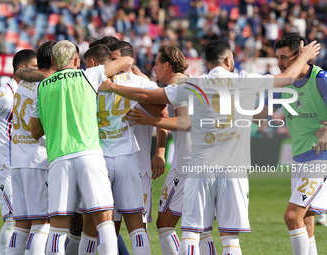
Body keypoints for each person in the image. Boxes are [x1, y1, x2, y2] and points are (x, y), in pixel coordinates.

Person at [98, 39, 320, 255]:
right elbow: (287, 77)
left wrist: (112, 86)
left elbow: (147, 95)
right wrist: (304, 57)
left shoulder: (193, 83)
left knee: (192, 233)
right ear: (229, 61)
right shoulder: (244, 80)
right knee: (230, 239)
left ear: (208, 62)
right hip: (234, 172)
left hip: (200, 170)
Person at [30, 40, 133, 255]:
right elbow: (127, 59)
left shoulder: (42, 87)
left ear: (52, 61)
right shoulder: (88, 75)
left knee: (57, 228)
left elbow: (35, 131)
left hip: (58, 158)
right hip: (89, 154)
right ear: (77, 60)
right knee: (105, 221)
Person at [127, 45, 216, 255]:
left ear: (167, 65)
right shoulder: (191, 82)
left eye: (156, 64)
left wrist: (148, 119)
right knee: (202, 228)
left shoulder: (178, 85)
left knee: (165, 224)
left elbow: (185, 122)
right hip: (208, 159)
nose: (153, 68)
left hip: (186, 164)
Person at [82, 42, 166, 255]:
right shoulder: (134, 80)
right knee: (137, 225)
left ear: (92, 63)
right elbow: (162, 109)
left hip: (97, 157)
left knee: (95, 226)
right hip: (127, 156)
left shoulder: (84, 81)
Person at [254, 34, 327, 255]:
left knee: (292, 216)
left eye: (284, 58)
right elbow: (259, 117)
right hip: (300, 157)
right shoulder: (284, 85)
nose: (279, 63)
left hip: (321, 158)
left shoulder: (321, 79)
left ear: (301, 55)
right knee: (305, 222)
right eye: (278, 57)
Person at [6, 41, 56, 255]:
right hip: (37, 159)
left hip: (18, 160)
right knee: (42, 222)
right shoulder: (44, 84)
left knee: (22, 223)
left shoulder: (23, 83)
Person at [0, 49, 37, 255]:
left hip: (19, 162)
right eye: (34, 68)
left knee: (25, 217)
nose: (38, 72)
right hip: (3, 164)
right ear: (22, 69)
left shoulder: (26, 92)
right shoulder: (3, 95)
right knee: (13, 217)